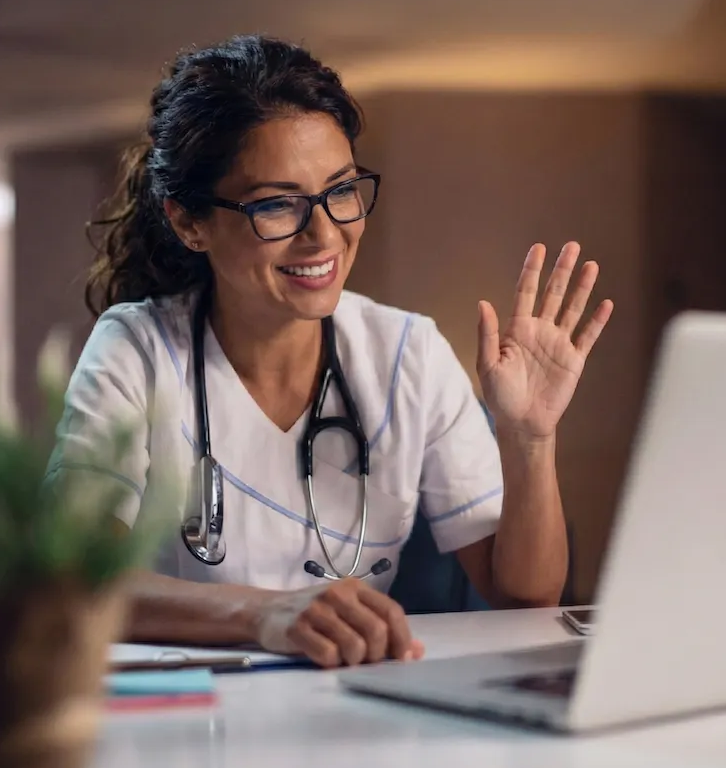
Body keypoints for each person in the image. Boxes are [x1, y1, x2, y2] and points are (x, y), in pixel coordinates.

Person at [47, 35, 612, 668]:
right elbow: (67, 585)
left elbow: (526, 598)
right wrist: (265, 615)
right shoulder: (137, 351)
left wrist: (530, 439)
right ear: (189, 222)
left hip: (355, 713)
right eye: (276, 204)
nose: (323, 235)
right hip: (193, 717)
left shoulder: (408, 354)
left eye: (339, 190)